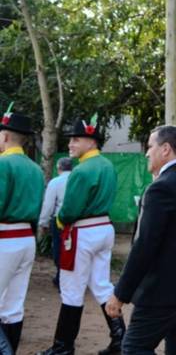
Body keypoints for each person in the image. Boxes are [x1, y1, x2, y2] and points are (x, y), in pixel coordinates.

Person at [104, 125, 176, 354]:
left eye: (150, 147)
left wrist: (121, 294)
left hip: (168, 288)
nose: (147, 153)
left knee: (134, 348)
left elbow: (145, 245)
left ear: (166, 149)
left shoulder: (161, 188)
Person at [37, 116, 123, 355]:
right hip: (105, 227)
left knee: (71, 289)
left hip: (82, 231)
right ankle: (120, 340)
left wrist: (59, 220)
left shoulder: (81, 170)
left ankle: (63, 348)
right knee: (102, 285)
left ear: (91, 142)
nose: (71, 144)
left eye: (76, 140)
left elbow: (70, 210)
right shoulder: (107, 166)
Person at [0, 108, 44, 353]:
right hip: (26, 238)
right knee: (13, 306)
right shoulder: (35, 169)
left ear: (5, 137)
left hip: (4, 238)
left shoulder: (2, 164)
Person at [39, 157, 74, 289]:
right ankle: (71, 278)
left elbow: (48, 204)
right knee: (74, 250)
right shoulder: (78, 180)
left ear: (58, 167)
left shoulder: (55, 182)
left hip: (59, 220)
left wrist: (44, 222)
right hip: (77, 220)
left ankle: (61, 277)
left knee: (59, 249)